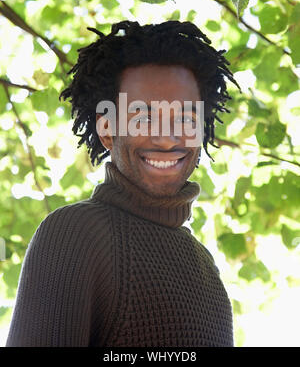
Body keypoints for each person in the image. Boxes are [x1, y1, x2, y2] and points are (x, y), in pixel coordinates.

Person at [6, 20, 239, 347]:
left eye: (185, 118)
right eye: (143, 117)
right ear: (107, 131)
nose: (167, 138)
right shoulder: (75, 232)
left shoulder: (204, 264)